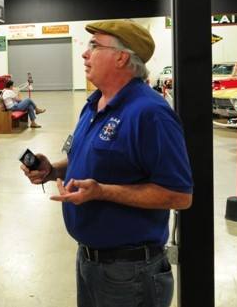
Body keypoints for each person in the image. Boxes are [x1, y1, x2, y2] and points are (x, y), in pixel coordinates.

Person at [21, 20, 193, 307]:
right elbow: (90, 160)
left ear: (122, 57)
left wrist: (102, 192)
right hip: (89, 260)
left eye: (94, 46)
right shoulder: (94, 104)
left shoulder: (150, 113)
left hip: (130, 272)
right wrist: (52, 170)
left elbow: (179, 195)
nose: (85, 54)